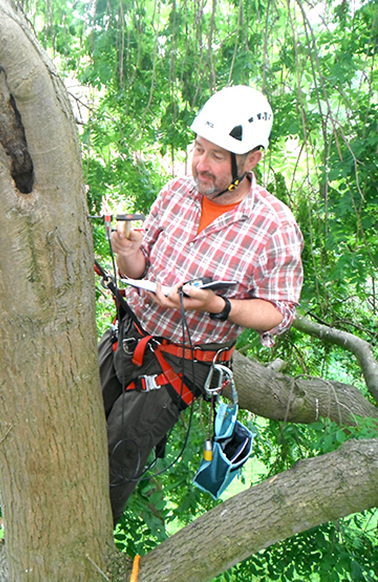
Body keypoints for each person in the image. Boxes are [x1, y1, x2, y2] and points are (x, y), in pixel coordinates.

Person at [98, 85, 304, 525]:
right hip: (126, 336)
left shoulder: (274, 226)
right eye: (198, 149)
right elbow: (137, 270)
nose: (200, 165)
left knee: (110, 466)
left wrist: (217, 305)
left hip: (176, 366)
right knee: (67, 422)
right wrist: (126, 251)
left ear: (250, 160)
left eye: (215, 155)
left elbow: (280, 312)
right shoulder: (175, 194)